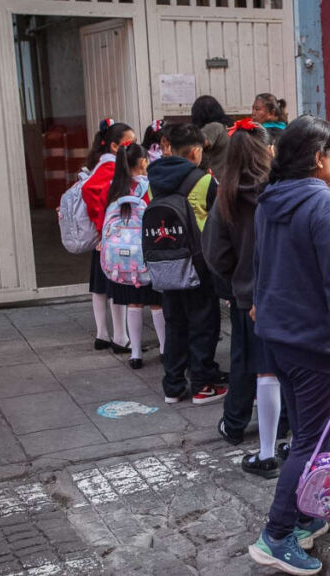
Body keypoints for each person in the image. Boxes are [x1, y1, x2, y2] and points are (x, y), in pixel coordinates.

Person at [247, 116, 330, 575]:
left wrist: (260, 305)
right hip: (316, 343)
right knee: (312, 439)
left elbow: (260, 264)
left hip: (279, 337)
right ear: (319, 159)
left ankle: (304, 514)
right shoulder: (323, 205)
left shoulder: (271, 200)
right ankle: (277, 534)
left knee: (307, 432)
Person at [202, 119, 284, 476]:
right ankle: (283, 427)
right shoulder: (282, 191)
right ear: (269, 151)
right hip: (283, 291)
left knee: (245, 360)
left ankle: (235, 424)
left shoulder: (227, 196)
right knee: (282, 364)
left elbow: (215, 253)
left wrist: (238, 276)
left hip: (246, 294)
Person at [148, 123, 227, 404]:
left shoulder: (153, 180)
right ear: (195, 152)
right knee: (203, 322)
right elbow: (220, 220)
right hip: (198, 262)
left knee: (175, 323)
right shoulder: (205, 181)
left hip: (166, 262)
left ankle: (173, 385)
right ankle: (202, 384)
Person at [103, 143, 164, 369]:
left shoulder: (116, 188)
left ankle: (136, 353)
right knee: (157, 304)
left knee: (134, 304)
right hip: (146, 253)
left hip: (123, 260)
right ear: (143, 162)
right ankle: (165, 349)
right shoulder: (149, 186)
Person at [83, 119, 136, 355]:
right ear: (115, 146)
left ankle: (102, 334)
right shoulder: (111, 168)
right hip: (111, 238)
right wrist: (103, 228)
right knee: (117, 285)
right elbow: (91, 192)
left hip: (103, 238)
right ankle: (120, 337)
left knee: (99, 287)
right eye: (130, 143)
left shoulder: (99, 165)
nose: (134, 147)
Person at [191, 95, 232, 176]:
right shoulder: (225, 126)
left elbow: (194, 146)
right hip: (227, 176)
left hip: (213, 176)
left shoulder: (213, 127)